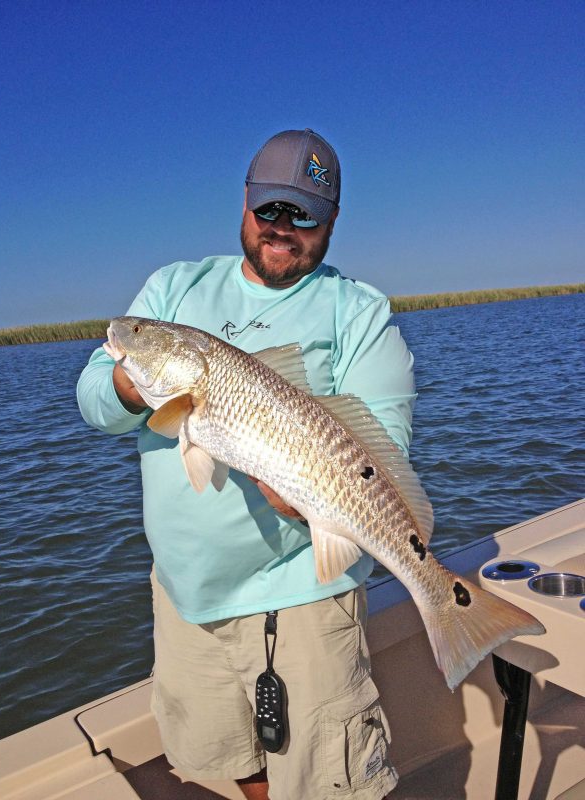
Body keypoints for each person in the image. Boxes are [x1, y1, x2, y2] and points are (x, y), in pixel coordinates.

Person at [77, 128, 416, 800]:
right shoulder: (173, 289)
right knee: (236, 763)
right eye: (271, 210)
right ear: (245, 202)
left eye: (305, 215)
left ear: (333, 221)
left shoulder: (359, 313)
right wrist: (132, 378)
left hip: (303, 605)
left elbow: (388, 455)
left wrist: (306, 492)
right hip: (184, 600)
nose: (283, 229)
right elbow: (94, 396)